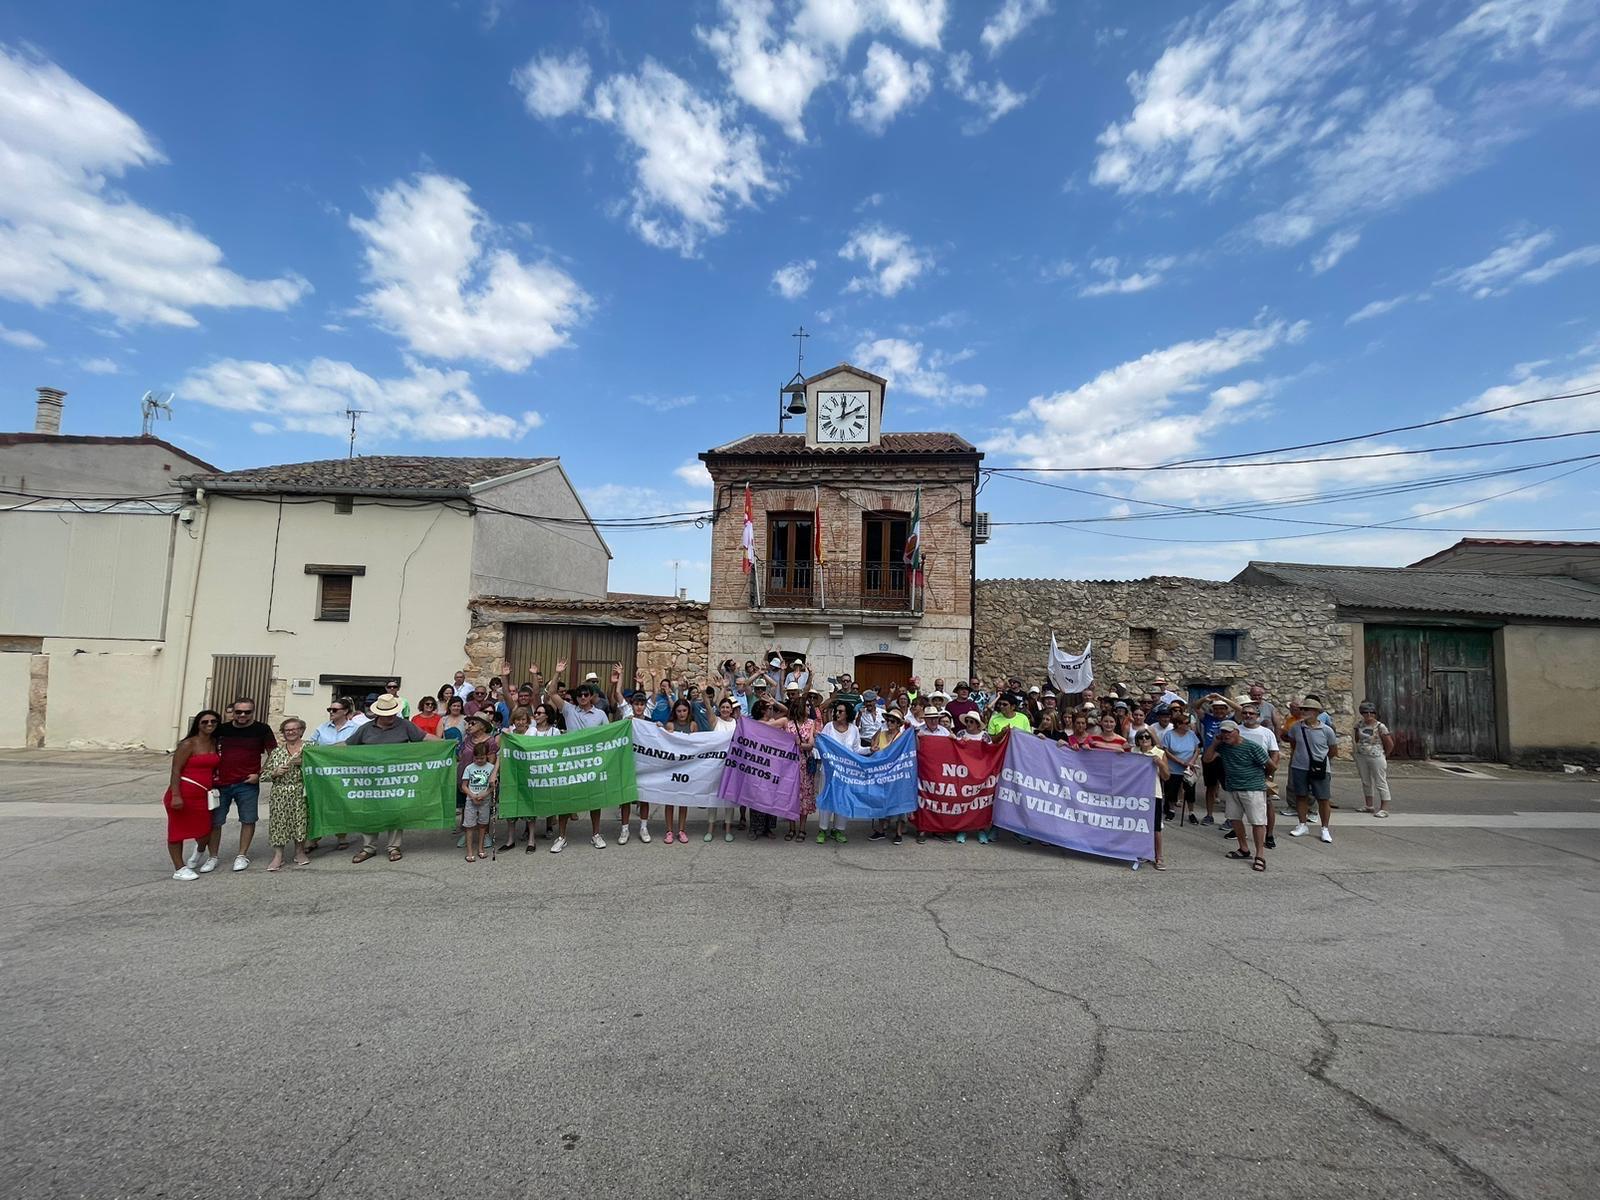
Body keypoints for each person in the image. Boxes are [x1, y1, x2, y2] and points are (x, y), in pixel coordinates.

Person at [347, 694, 432, 863]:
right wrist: (321, 751)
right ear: (379, 714)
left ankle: (394, 847)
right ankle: (368, 848)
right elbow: (348, 745)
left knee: (395, 812)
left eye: (394, 713)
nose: (392, 717)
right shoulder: (365, 728)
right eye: (388, 714)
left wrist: (447, 744)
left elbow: (425, 739)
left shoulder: (405, 725)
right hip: (371, 779)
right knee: (370, 812)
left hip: (396, 779)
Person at [542, 661, 610, 850]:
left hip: (592, 762)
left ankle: (596, 834)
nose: (582, 697)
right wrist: (557, 673)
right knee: (566, 799)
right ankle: (562, 837)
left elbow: (608, 737)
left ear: (591, 696)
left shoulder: (600, 715)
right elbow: (552, 694)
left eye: (585, 694)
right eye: (579, 694)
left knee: (595, 799)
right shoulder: (569, 709)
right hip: (571, 762)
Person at [209, 697, 277, 873]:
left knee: (248, 819)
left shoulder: (262, 729)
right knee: (215, 822)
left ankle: (241, 855)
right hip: (220, 783)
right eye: (239, 712)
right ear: (233, 711)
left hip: (247, 783)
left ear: (253, 712)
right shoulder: (221, 729)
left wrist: (260, 775)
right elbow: (209, 750)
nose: (242, 715)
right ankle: (212, 856)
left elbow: (274, 754)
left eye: (247, 712)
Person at [1205, 720, 1271, 871]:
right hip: (1232, 788)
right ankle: (1244, 848)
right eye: (1223, 732)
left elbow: (1270, 765)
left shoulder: (1252, 747)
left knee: (1257, 822)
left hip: (1252, 788)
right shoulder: (1222, 747)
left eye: (1229, 732)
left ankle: (1260, 855)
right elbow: (1207, 759)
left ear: (1237, 732)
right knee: (1235, 819)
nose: (1226, 735)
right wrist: (1214, 744)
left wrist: (1261, 778)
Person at [165, 710, 221, 879]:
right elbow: (175, 770)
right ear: (198, 723)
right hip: (184, 793)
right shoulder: (188, 744)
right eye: (205, 722)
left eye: (213, 721)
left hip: (203, 795)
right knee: (177, 832)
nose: (209, 724)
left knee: (205, 830)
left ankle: (199, 851)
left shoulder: (214, 743)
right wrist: (176, 795)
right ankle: (179, 868)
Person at [1286, 697, 1340, 843]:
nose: (1303, 711)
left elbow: (1333, 750)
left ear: (1316, 712)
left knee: (1323, 798)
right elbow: (1293, 744)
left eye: (1307, 709)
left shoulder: (1327, 730)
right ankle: (1302, 824)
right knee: (1301, 795)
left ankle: (1325, 828)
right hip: (1299, 766)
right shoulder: (1296, 727)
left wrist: (1320, 761)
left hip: (1320, 768)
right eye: (1302, 709)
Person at [263, 716, 311, 872]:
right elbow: (263, 775)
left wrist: (304, 763)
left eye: (294, 729)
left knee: (301, 821)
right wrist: (275, 772)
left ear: (301, 731)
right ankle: (278, 856)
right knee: (279, 823)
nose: (290, 732)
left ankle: (300, 852)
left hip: (301, 790)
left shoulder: (310, 748)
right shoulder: (277, 752)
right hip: (280, 792)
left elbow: (322, 765)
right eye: (287, 730)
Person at [1234, 700, 1283, 848]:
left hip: (1262, 772)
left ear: (1258, 715)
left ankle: (1269, 834)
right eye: (1245, 713)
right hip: (1239, 773)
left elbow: (1274, 753)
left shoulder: (1267, 732)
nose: (1248, 715)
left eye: (1251, 713)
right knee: (1238, 804)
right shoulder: (1236, 730)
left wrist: (1270, 772)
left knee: (1266, 803)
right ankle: (1238, 831)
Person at [457, 712, 500, 849]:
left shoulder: (490, 741)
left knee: (483, 807)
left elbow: (492, 762)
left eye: (473, 723)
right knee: (466, 805)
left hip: (481, 780)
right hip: (465, 776)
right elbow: (461, 754)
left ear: (482, 726)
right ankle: (466, 832)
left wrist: (490, 779)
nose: (469, 726)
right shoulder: (467, 739)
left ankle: (485, 833)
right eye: (468, 723)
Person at [815, 701, 855, 844]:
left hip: (845, 773)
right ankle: (822, 829)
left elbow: (856, 750)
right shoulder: (828, 727)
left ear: (847, 714)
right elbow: (822, 745)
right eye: (836, 711)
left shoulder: (854, 729)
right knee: (827, 798)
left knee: (842, 800)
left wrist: (870, 750)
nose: (837, 714)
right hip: (829, 771)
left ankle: (838, 830)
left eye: (840, 711)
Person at [1131, 729, 1169, 870]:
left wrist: (1161, 764)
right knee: (1137, 824)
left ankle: (1158, 857)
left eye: (1147, 737)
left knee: (1156, 827)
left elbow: (1166, 776)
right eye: (1141, 737)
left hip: (1154, 794)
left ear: (1152, 739)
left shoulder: (1159, 753)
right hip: (1136, 794)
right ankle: (1141, 852)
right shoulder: (1134, 751)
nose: (1144, 739)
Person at [1159, 710, 1201, 824]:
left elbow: (1197, 749)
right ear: (1178, 724)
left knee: (1190, 791)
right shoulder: (1169, 735)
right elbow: (1166, 751)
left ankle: (1191, 812)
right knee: (1172, 790)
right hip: (1174, 767)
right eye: (1186, 723)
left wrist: (1191, 761)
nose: (1188, 725)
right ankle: (1171, 810)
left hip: (1189, 767)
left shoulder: (1191, 734)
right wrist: (1181, 762)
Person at [785, 698, 818, 842]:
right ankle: (791, 828)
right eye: (806, 705)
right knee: (790, 795)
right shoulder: (788, 723)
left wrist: (799, 745)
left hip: (804, 764)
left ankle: (802, 828)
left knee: (804, 795)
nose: (808, 708)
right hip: (789, 765)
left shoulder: (811, 723)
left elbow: (811, 744)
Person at [1354, 701, 1395, 817]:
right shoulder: (1359, 725)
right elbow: (1357, 738)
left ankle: (1384, 808)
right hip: (1362, 755)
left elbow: (1389, 743)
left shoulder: (1380, 726)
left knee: (1380, 781)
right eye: (1365, 712)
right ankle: (1369, 805)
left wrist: (1385, 754)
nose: (1369, 715)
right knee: (1366, 781)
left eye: (1371, 712)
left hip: (1376, 755)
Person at [460, 739, 497, 863]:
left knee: (482, 825)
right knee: (469, 826)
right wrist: (472, 795)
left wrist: (484, 794)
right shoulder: (469, 768)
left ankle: (480, 848)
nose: (479, 761)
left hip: (484, 800)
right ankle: (469, 851)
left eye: (482, 758)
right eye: (476, 758)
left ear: (486, 756)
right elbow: (464, 785)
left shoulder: (491, 768)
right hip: (471, 800)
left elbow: (493, 786)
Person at [1197, 695, 1232, 825]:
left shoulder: (1231, 720)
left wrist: (1223, 698)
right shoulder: (1208, 719)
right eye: (1216, 709)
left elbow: (1239, 709)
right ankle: (1209, 814)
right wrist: (1205, 698)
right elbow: (1196, 707)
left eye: (1222, 709)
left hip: (1225, 757)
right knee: (1210, 787)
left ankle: (1230, 817)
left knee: (1228, 788)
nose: (1219, 711)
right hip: (1209, 756)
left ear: (1226, 710)